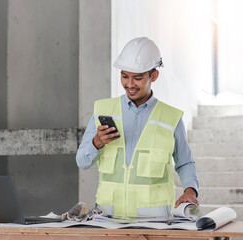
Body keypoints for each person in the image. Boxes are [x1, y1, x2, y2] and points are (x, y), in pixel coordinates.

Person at [76, 37, 199, 218]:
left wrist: (190, 191)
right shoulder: (103, 110)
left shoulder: (170, 118)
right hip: (109, 221)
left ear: (153, 76)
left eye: (138, 78)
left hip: (155, 224)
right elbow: (82, 162)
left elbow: (185, 162)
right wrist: (97, 143)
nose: (130, 84)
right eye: (124, 76)